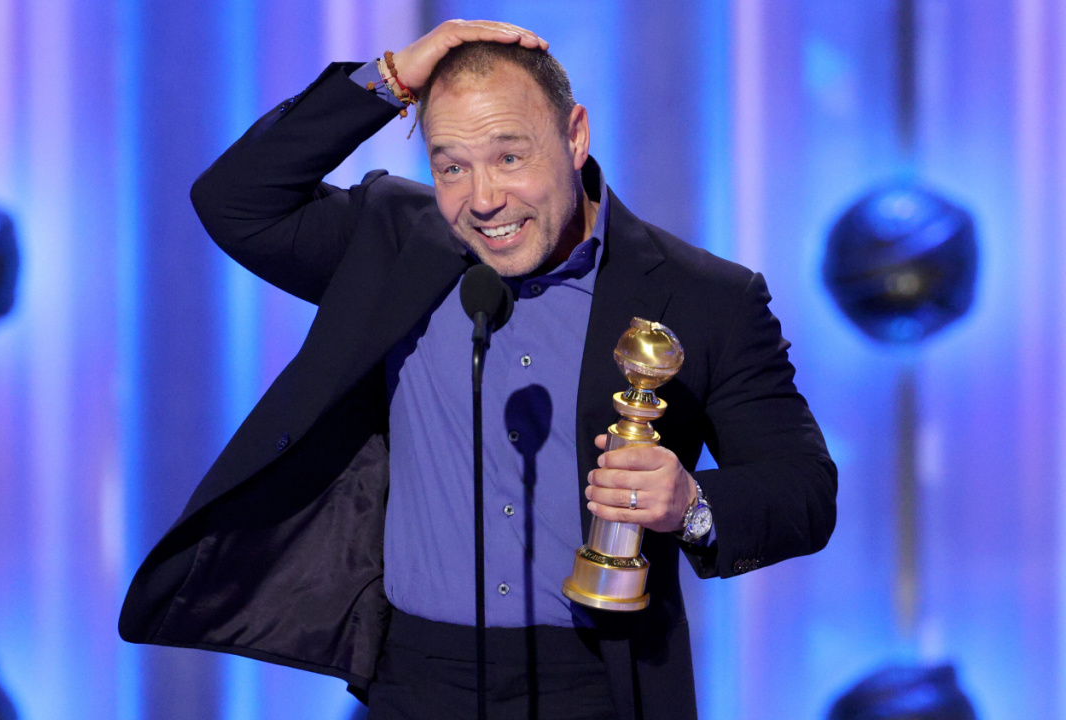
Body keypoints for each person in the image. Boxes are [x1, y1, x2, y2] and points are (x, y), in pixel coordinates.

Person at [120, 20, 837, 720]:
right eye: (451, 165)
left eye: (509, 157)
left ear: (575, 135)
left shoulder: (705, 295)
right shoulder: (392, 240)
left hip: (596, 679)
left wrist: (690, 503)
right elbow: (235, 200)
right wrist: (391, 78)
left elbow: (803, 490)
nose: (483, 199)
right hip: (413, 676)